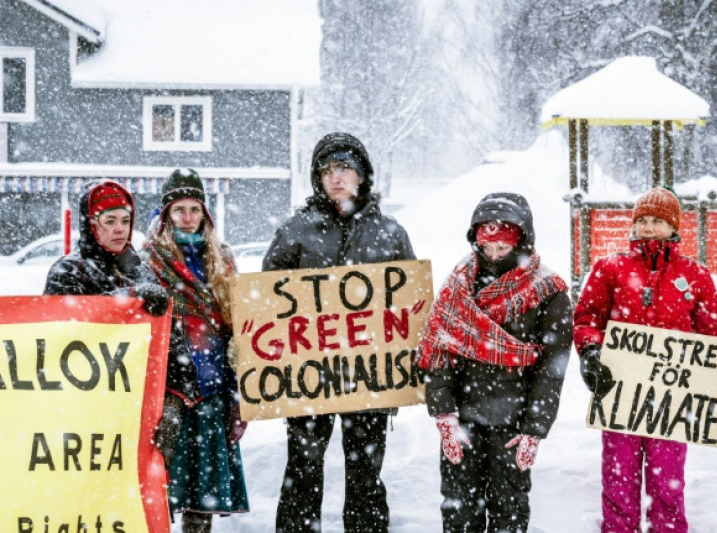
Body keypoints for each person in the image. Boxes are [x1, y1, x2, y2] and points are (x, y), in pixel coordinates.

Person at [573, 186, 717, 533]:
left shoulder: (696, 276)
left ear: (673, 226)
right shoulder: (610, 268)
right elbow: (587, 318)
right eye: (643, 220)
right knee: (618, 479)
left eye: (657, 221)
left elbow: (709, 343)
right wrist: (590, 351)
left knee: (668, 484)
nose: (648, 227)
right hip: (620, 394)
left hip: (672, 401)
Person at [263, 132, 416, 533]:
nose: (336, 177)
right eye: (327, 170)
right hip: (307, 374)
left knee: (366, 471)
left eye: (345, 168)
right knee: (304, 466)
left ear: (362, 175)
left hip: (369, 374)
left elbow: (410, 307)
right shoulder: (295, 231)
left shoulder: (391, 233)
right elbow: (267, 304)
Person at [417, 192, 572, 533]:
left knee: (510, 511)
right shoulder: (459, 283)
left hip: (513, 424)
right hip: (464, 420)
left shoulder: (548, 290)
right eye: (487, 247)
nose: (494, 255)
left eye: (503, 248)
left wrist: (534, 430)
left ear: (522, 242)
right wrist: (444, 414)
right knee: (459, 510)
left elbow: (551, 370)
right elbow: (439, 353)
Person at [145, 168, 249, 533]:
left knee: (203, 489)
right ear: (166, 215)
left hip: (213, 384)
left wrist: (239, 391)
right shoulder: (151, 261)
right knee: (159, 480)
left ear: (205, 213)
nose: (187, 217)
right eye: (179, 210)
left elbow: (239, 324)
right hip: (168, 387)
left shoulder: (223, 258)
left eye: (194, 209)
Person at [44, 179, 168, 315]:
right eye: (110, 221)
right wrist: (131, 295)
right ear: (90, 226)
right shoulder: (68, 271)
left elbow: (167, 332)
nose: (120, 229)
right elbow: (64, 322)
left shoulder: (142, 272)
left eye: (125, 221)